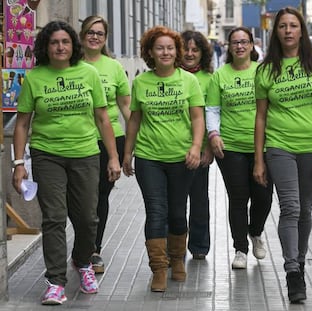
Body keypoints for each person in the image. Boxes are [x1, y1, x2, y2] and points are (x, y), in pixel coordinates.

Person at [12, 20, 121, 305]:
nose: (60, 47)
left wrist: (113, 157)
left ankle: (82, 262)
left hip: (85, 153)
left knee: (88, 218)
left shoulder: (88, 73)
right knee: (54, 219)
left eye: (65, 42)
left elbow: (102, 118)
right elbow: (22, 123)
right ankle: (56, 281)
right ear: (46, 47)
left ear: (74, 45)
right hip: (47, 154)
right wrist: (18, 163)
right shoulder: (35, 77)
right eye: (54, 42)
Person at [253, 7, 312, 303]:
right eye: (282, 26)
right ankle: (292, 271)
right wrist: (259, 159)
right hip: (279, 147)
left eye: (293, 26)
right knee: (289, 207)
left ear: (302, 31)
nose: (288, 31)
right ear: (275, 32)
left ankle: (299, 262)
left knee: (304, 207)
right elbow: (261, 117)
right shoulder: (265, 71)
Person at [122, 26, 205, 292]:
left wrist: (195, 147)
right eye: (160, 48)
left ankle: (177, 260)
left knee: (178, 212)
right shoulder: (142, 82)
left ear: (177, 51)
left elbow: (197, 117)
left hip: (182, 158)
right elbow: (135, 119)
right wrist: (127, 152)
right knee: (156, 212)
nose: (166, 52)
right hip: (149, 158)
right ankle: (158, 268)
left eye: (170, 47)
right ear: (150, 52)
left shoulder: (189, 81)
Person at [206, 26, 273, 270]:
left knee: (264, 197)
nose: (240, 46)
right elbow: (212, 109)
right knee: (238, 198)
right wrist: (213, 134)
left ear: (252, 45)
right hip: (231, 146)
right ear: (229, 47)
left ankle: (255, 232)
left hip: (263, 146)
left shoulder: (263, 71)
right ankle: (240, 249)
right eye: (235, 42)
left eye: (244, 42)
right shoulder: (220, 76)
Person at [79, 15, 131, 274]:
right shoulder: (71, 64)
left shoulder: (114, 67)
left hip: (110, 140)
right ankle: (84, 244)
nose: (95, 37)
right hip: (80, 138)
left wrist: (135, 141)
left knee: (100, 196)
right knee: (78, 199)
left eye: (99, 33)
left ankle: (93, 249)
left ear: (105, 38)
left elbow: (125, 106)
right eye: (90, 32)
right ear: (82, 35)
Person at [180, 30, 214, 260]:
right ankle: (175, 244)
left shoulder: (210, 79)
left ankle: (200, 246)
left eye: (195, 50)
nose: (190, 54)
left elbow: (212, 114)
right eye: (186, 49)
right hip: (173, 149)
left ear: (203, 54)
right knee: (175, 202)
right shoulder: (171, 76)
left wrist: (208, 148)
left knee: (199, 199)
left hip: (199, 150)